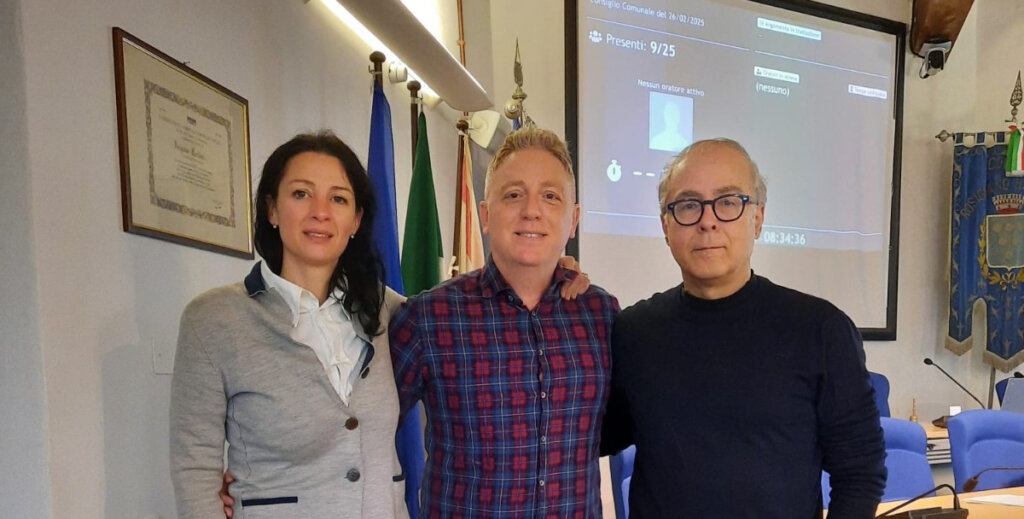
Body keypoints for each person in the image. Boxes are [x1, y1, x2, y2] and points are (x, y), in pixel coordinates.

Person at [601, 139, 886, 518]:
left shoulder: (820, 331)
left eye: (728, 202)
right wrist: (548, 279)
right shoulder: (634, 332)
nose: (707, 221)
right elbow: (592, 435)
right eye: (688, 205)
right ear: (666, 225)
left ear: (758, 218)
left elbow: (861, 473)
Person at [170, 131, 408, 519]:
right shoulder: (213, 320)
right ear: (272, 210)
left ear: (356, 220)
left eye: (338, 198)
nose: (320, 211)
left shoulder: (386, 309)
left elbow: (457, 322)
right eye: (301, 193)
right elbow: (194, 469)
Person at [389, 127, 620, 518]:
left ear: (573, 220)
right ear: (485, 215)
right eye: (513, 195)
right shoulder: (429, 317)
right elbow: (362, 429)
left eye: (550, 196)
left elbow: (623, 426)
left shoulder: (602, 316)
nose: (531, 210)